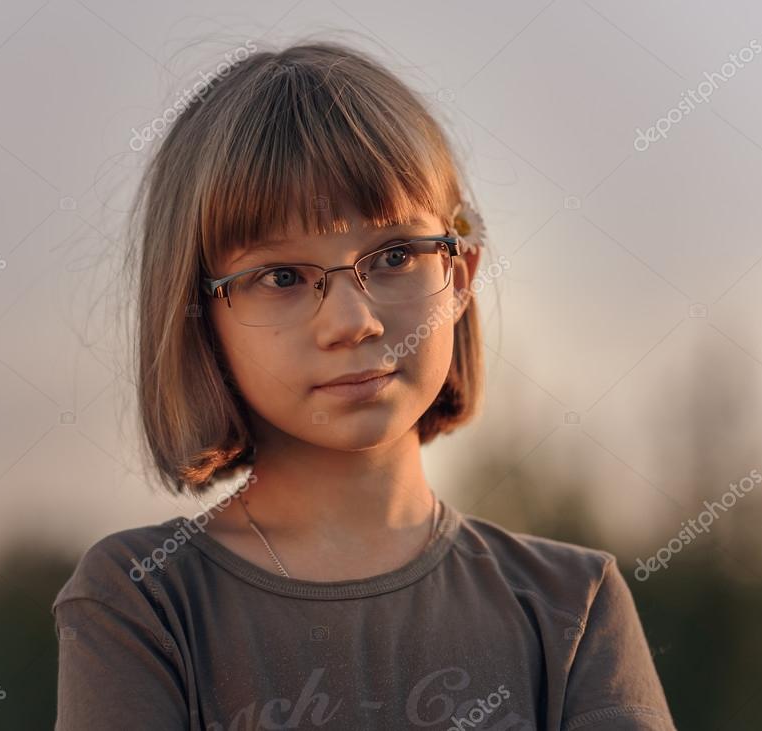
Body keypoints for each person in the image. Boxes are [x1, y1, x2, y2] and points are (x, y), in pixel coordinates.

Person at [51, 40, 676, 730]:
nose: (353, 321)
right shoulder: (143, 601)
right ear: (199, 317)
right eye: (281, 277)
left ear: (460, 277)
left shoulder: (571, 606)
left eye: (395, 255)